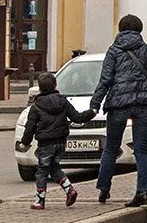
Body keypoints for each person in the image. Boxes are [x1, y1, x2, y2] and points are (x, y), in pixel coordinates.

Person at [90, 14, 147, 207]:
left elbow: (105, 80)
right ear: (139, 29)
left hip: (118, 104)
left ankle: (103, 189)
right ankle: (143, 192)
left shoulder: (114, 51)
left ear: (120, 29)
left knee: (111, 148)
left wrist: (95, 103)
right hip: (143, 105)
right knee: (140, 149)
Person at [16, 72, 95, 210]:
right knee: (54, 168)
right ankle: (70, 190)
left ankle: (40, 201)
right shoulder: (63, 101)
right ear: (55, 86)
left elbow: (30, 127)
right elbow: (77, 117)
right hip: (61, 142)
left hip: (46, 143)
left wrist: (24, 142)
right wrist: (91, 112)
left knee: (41, 171)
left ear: (40, 88)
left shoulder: (36, 107)